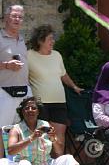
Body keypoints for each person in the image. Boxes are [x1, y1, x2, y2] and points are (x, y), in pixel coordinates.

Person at [27, 24, 83, 154]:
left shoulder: (57, 55)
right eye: (50, 38)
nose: (53, 41)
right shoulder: (29, 55)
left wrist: (74, 86)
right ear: (40, 40)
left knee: (59, 137)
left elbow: (63, 74)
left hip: (59, 101)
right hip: (40, 103)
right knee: (41, 136)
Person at [0, 5, 31, 158]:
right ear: (5, 18)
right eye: (14, 16)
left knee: (21, 131)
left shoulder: (22, 39)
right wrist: (6, 65)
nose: (17, 19)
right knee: (1, 131)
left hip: (24, 91)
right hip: (4, 91)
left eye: (20, 17)